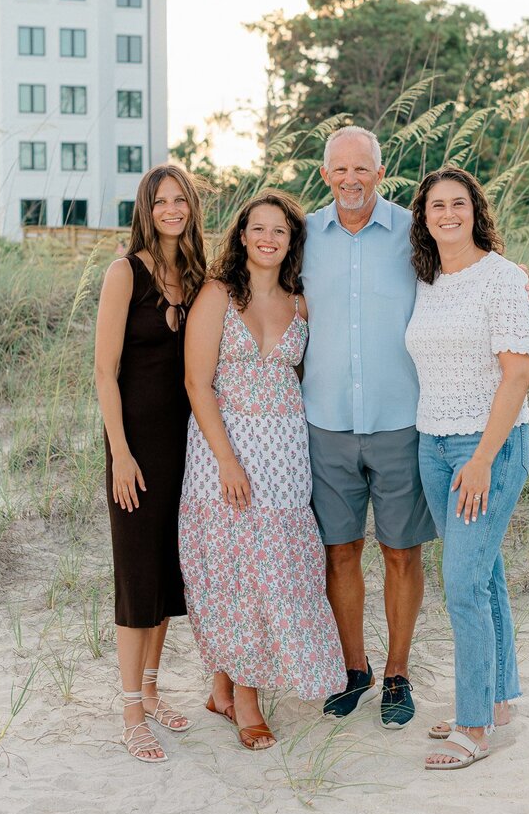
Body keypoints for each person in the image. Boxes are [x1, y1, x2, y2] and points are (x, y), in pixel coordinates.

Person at [301, 126, 529, 728]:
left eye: (363, 169)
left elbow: (476, 272)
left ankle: (398, 675)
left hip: (404, 425)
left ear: (381, 175)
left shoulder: (414, 235)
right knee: (341, 550)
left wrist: (522, 284)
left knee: (404, 552)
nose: (351, 179)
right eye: (339, 170)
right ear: (325, 174)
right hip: (326, 422)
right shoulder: (302, 236)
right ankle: (354, 671)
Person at [179, 190, 346, 750]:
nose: (268, 239)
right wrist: (227, 459)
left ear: (291, 241)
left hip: (285, 454)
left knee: (272, 567)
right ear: (243, 236)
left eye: (280, 231)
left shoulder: (301, 303)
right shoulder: (217, 295)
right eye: (259, 229)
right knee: (237, 573)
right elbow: (197, 384)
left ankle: (223, 686)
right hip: (223, 451)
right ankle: (245, 701)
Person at [405, 166, 529, 769]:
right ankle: (497, 698)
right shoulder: (427, 280)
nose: (448, 215)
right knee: (485, 576)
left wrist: (482, 458)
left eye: (458, 204)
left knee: (461, 585)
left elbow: (517, 374)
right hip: (432, 444)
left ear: (475, 211)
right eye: (436, 206)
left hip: (489, 449)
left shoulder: (504, 279)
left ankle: (474, 725)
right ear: (423, 217)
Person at [95, 164, 206, 763]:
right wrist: (119, 453)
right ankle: (131, 711)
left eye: (180, 199)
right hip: (133, 448)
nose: (171, 209)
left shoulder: (195, 275)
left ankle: (155, 692)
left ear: (191, 206)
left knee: (166, 576)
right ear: (146, 207)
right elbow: (103, 371)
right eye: (161, 200)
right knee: (137, 579)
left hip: (184, 448)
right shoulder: (124, 272)